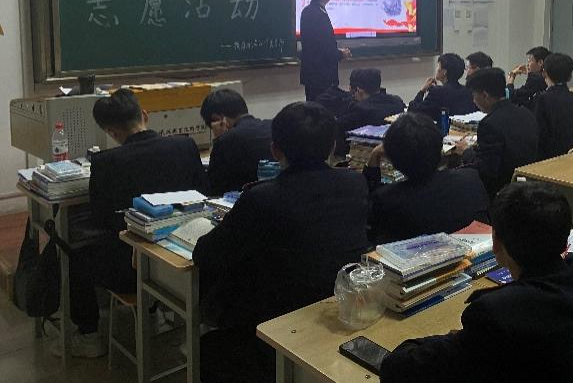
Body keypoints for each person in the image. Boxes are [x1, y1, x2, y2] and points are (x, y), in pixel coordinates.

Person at [380, 182, 573, 383]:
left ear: (496, 243)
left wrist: (455, 339)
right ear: (565, 240)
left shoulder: (498, 314)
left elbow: (400, 368)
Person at [194, 102, 369, 383]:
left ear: (275, 150)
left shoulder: (261, 198)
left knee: (207, 345)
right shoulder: (355, 183)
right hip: (336, 307)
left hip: (272, 323)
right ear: (333, 146)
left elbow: (205, 255)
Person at [68, 89, 206, 357]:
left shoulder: (105, 162)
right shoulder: (185, 146)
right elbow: (204, 194)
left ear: (110, 131)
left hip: (132, 268)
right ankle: (158, 311)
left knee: (77, 255)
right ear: (145, 115)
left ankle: (88, 336)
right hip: (184, 258)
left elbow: (101, 218)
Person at [364, 113, 488, 244]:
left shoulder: (387, 199)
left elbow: (368, 214)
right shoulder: (470, 179)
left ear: (392, 160)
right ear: (440, 147)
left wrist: (374, 156)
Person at [458, 68, 538, 199]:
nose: (473, 100)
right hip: (527, 185)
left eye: (474, 95)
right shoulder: (526, 113)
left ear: (485, 95)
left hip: (501, 191)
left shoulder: (489, 124)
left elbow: (486, 169)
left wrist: (466, 151)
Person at [199, 89, 272, 196]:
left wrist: (220, 139)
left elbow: (213, 187)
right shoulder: (273, 126)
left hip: (242, 199)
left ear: (218, 118)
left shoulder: (226, 141)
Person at [299, 0, 351, 101]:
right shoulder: (320, 15)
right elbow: (325, 50)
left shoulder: (307, 11)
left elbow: (316, 44)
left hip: (311, 75)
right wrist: (341, 54)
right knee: (323, 109)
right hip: (322, 77)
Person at [334, 68, 404, 154]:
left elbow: (337, 126)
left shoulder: (359, 110)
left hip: (362, 155)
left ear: (359, 90)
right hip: (395, 152)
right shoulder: (397, 102)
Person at [534, 53, 573, 158]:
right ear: (570, 76)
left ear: (545, 73)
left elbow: (539, 135)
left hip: (549, 159)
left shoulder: (542, 99)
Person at [408, 53, 476, 120]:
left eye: (438, 66)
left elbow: (413, 111)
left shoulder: (437, 92)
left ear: (444, 72)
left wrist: (422, 91)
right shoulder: (468, 91)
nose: (436, 69)